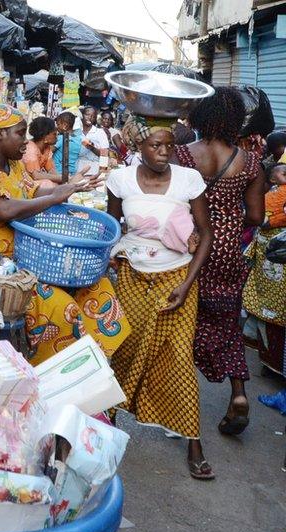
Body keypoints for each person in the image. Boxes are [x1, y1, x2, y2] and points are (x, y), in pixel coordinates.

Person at [0, 105, 130, 365]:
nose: (25, 141)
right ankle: (57, 371)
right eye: (19, 133)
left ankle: (95, 365)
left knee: (97, 286)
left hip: (26, 257)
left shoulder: (13, 167)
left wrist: (69, 188)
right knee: (60, 305)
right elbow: (3, 209)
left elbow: (34, 191)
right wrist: (54, 197)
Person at [108, 115, 214, 480]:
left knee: (179, 357)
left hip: (177, 278)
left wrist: (186, 285)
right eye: (156, 145)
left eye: (169, 145)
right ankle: (105, 423)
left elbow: (205, 233)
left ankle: (193, 442)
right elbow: (112, 227)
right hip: (133, 277)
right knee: (125, 349)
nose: (164, 152)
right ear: (139, 147)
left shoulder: (188, 180)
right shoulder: (120, 180)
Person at [173, 87, 266, 436]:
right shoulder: (251, 163)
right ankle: (239, 394)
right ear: (233, 121)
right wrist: (230, 219)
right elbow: (255, 216)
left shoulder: (182, 154)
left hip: (188, 243)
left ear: (200, 117)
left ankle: (178, 403)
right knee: (227, 324)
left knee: (183, 322)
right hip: (226, 250)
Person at [242, 163, 286, 375]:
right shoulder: (270, 194)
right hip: (270, 259)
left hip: (275, 260)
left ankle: (274, 363)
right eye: (281, 170)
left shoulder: (274, 193)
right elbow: (260, 219)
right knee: (269, 312)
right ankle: (270, 362)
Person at [23, 117, 62, 186]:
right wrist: (62, 178)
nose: (57, 137)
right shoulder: (30, 148)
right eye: (54, 134)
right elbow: (36, 176)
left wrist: (63, 179)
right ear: (45, 137)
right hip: (25, 184)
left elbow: (51, 170)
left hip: (33, 183)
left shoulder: (46, 148)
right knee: (50, 184)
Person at [53, 110, 83, 181]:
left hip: (58, 172)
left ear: (65, 125)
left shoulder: (61, 138)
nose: (57, 127)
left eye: (58, 124)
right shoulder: (78, 138)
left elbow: (49, 151)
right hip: (72, 172)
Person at [78, 106, 109, 174]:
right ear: (82, 115)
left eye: (93, 116)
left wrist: (102, 173)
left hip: (93, 169)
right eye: (87, 114)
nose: (90, 117)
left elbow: (105, 154)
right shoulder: (76, 131)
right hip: (76, 169)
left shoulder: (100, 132)